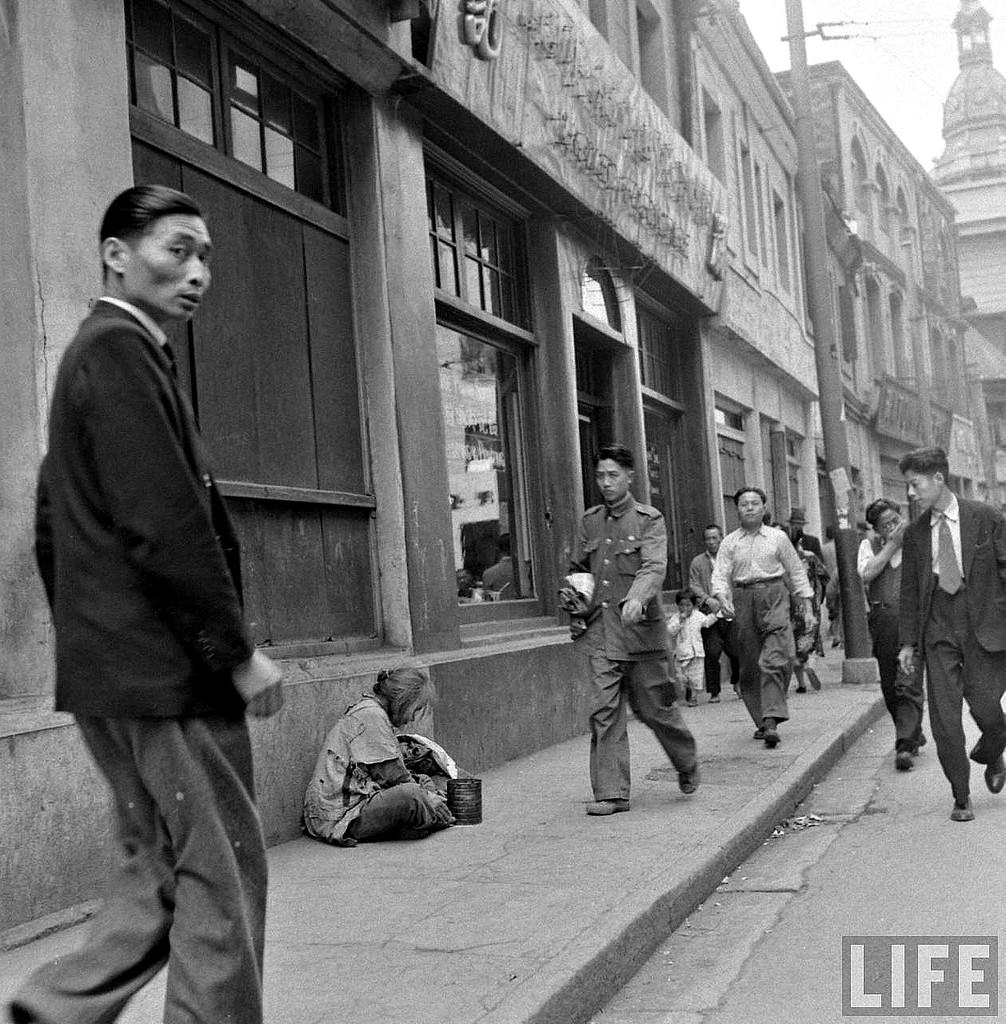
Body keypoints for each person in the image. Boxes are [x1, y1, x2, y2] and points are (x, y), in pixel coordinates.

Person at [10, 185, 284, 1024]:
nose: (197, 272)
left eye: (206, 257)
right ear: (116, 253)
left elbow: (54, 525)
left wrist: (96, 646)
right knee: (220, 875)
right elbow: (166, 522)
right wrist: (235, 653)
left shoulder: (96, 354)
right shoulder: (122, 352)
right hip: (168, 680)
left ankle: (50, 1012)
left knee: (156, 872)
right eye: (177, 249)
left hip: (116, 676)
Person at [567, 443, 699, 815]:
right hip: (601, 633)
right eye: (600, 476)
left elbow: (654, 566)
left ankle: (686, 760)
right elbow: (578, 568)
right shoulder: (590, 520)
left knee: (655, 709)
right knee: (604, 711)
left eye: (613, 475)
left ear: (629, 477)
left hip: (641, 633)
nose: (605, 483)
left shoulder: (649, 519)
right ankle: (611, 792)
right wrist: (573, 600)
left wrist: (638, 598)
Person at [897, 446, 1006, 822]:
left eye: (915, 485)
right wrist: (909, 643)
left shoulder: (986, 517)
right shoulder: (914, 533)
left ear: (938, 479)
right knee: (944, 718)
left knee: (987, 707)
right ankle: (961, 795)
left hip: (985, 628)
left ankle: (994, 748)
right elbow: (909, 589)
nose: (910, 494)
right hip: (938, 628)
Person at [303, 665, 455, 845]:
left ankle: (422, 817)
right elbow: (394, 777)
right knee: (412, 795)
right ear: (403, 701)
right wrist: (432, 799)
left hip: (359, 801)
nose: (412, 719)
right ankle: (429, 817)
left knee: (425, 783)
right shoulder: (371, 715)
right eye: (415, 710)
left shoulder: (374, 711)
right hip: (341, 817)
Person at [711, 487, 815, 748]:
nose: (749, 507)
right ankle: (762, 718)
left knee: (777, 657)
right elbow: (720, 575)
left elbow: (796, 572)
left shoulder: (778, 538)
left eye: (754, 503)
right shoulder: (730, 542)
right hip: (743, 598)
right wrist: (722, 598)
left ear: (764, 508)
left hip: (775, 593)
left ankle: (771, 718)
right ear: (737, 510)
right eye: (743, 504)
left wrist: (808, 607)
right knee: (749, 663)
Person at [858, 498, 925, 772]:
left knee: (907, 682)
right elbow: (867, 574)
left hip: (914, 620)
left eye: (896, 520)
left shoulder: (918, 542)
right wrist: (890, 546)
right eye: (886, 525)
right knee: (889, 684)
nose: (894, 527)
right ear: (876, 530)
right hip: (883, 620)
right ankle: (911, 730)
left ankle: (904, 745)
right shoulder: (869, 546)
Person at [687, 524, 740, 702]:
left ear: (721, 538)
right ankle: (714, 691)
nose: (711, 542)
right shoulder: (697, 563)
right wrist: (707, 599)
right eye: (708, 538)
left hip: (731, 611)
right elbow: (694, 585)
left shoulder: (730, 559)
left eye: (714, 538)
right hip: (709, 614)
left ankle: (737, 683)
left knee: (735, 650)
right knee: (712, 651)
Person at [667, 588, 717, 706]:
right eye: (681, 605)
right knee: (682, 676)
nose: (685, 608)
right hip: (683, 653)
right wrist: (680, 622)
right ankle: (687, 689)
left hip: (697, 653)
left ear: (693, 605)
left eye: (688, 605)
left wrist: (716, 614)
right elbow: (670, 631)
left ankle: (694, 697)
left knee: (696, 676)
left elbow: (707, 622)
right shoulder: (675, 618)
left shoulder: (698, 616)